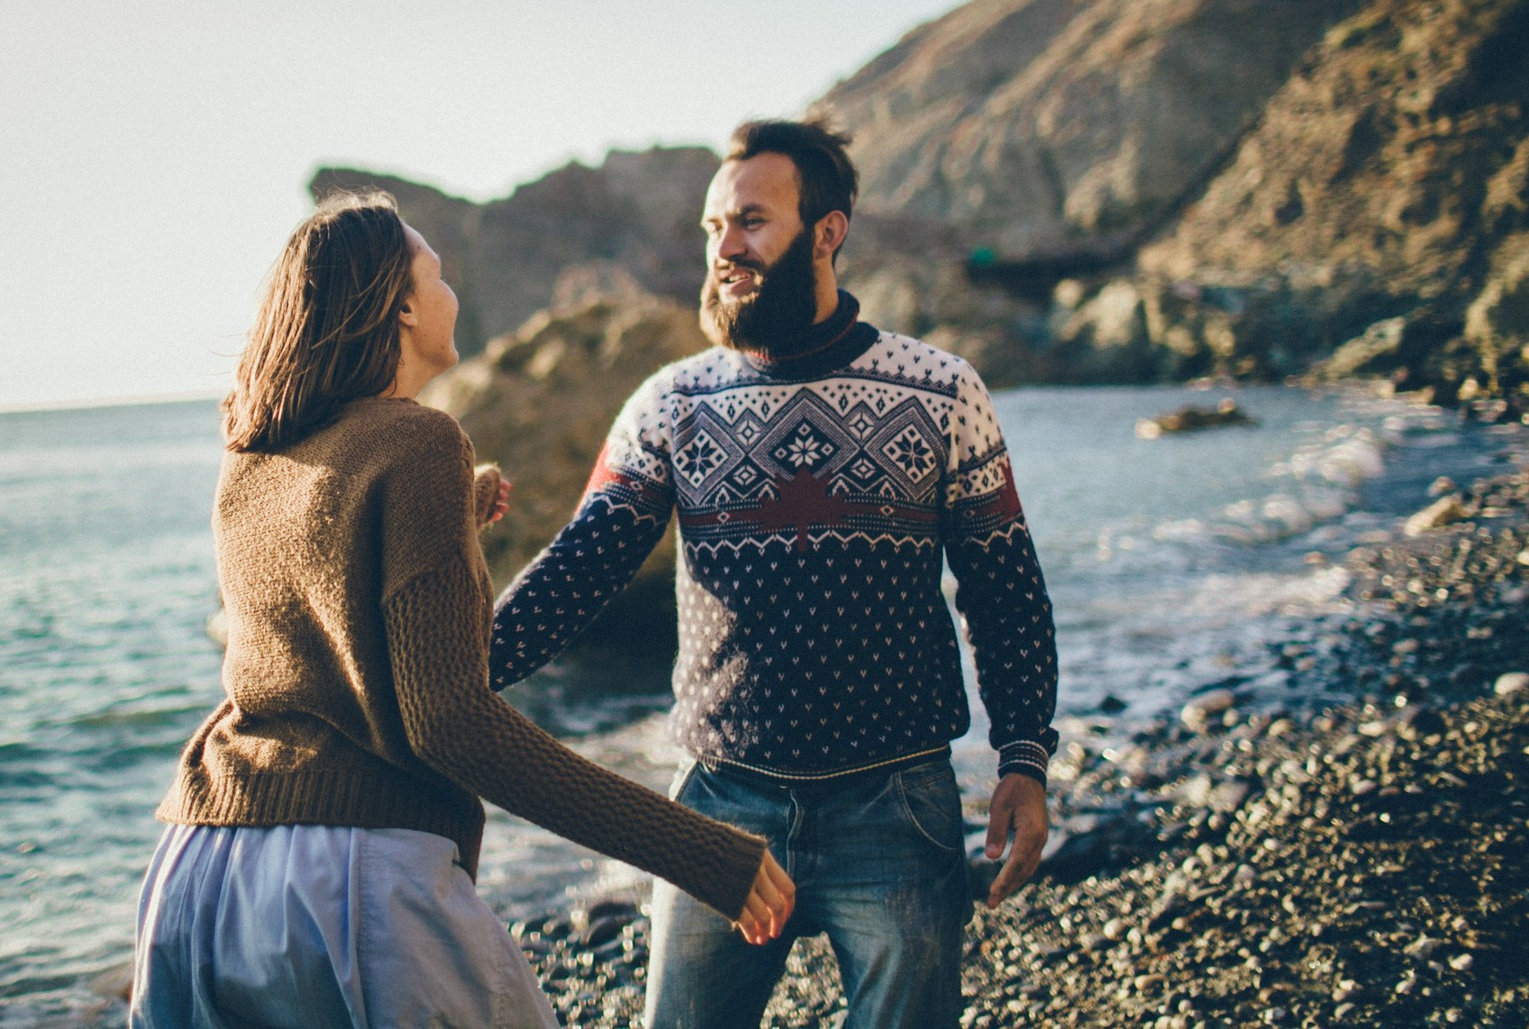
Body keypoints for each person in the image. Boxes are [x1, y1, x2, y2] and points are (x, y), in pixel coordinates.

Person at [129, 190, 795, 1029]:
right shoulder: (420, 442)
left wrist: (454, 515)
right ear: (403, 306)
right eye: (436, 275)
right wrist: (697, 853)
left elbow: (319, 588)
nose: (452, 295)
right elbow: (448, 722)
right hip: (348, 882)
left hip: (201, 870)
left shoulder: (254, 459)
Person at [488, 121, 1060, 1029]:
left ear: (827, 231)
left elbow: (1003, 586)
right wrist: (443, 675)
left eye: (751, 221)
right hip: (720, 807)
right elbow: (577, 572)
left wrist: (1024, 754)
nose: (725, 248)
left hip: (897, 806)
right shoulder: (670, 404)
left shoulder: (942, 390)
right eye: (715, 227)